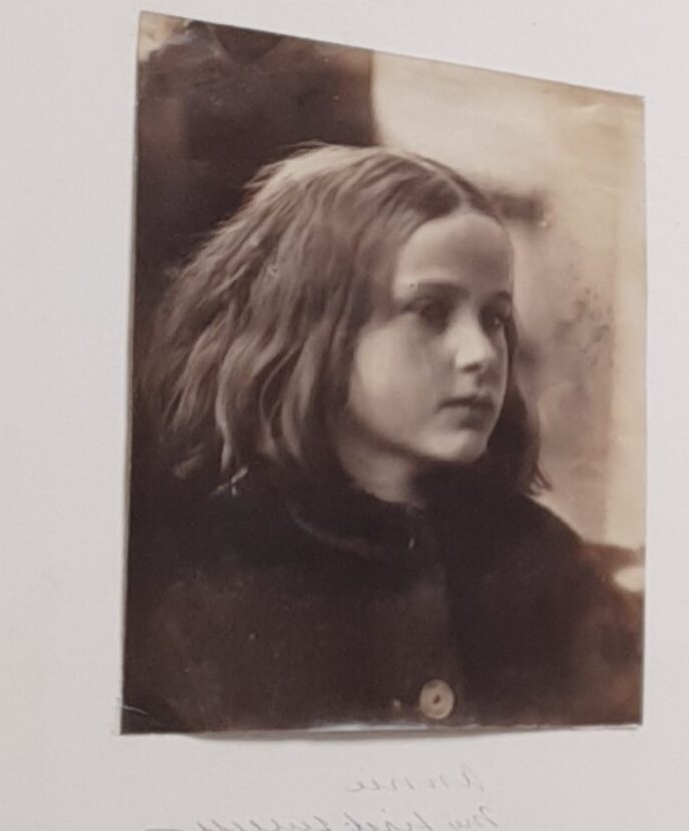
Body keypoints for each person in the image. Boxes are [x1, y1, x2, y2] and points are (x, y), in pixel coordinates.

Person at [124, 143, 641, 734]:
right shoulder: (198, 576)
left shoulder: (542, 562)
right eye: (431, 311)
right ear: (320, 325)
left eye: (494, 318)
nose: (480, 355)